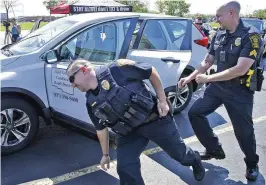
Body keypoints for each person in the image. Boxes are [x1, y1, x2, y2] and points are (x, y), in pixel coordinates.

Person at [67, 58, 205, 185]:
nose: (73, 85)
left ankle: (195, 160)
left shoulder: (117, 69)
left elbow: (150, 71)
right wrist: (105, 155)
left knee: (181, 155)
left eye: (72, 79)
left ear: (83, 70)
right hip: (129, 132)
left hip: (154, 119)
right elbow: (100, 129)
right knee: (125, 167)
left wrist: (162, 100)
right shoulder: (91, 102)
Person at [178, 1, 264, 182]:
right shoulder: (219, 34)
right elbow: (208, 61)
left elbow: (241, 69)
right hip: (218, 86)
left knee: (243, 131)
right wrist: (190, 77)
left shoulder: (252, 36)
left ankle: (251, 163)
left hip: (239, 90)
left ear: (231, 13)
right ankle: (214, 149)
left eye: (219, 16)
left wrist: (208, 79)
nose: (216, 19)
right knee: (195, 113)